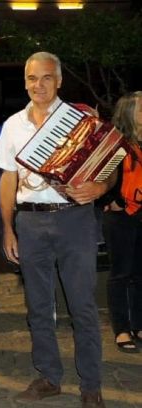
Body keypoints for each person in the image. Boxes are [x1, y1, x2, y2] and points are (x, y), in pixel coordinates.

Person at [0, 52, 113, 408]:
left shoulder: (80, 119)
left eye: (46, 78)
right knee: (38, 306)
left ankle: (91, 385)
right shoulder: (14, 124)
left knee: (83, 306)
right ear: (25, 81)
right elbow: (7, 178)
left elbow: (110, 164)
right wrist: (8, 228)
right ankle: (48, 376)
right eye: (31, 78)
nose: (38, 85)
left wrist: (100, 189)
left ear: (58, 81)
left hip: (74, 219)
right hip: (29, 222)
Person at [102, 91, 142, 353]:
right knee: (120, 274)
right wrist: (113, 199)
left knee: (140, 274)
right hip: (121, 215)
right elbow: (104, 175)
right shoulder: (116, 143)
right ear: (129, 113)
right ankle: (122, 329)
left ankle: (138, 324)